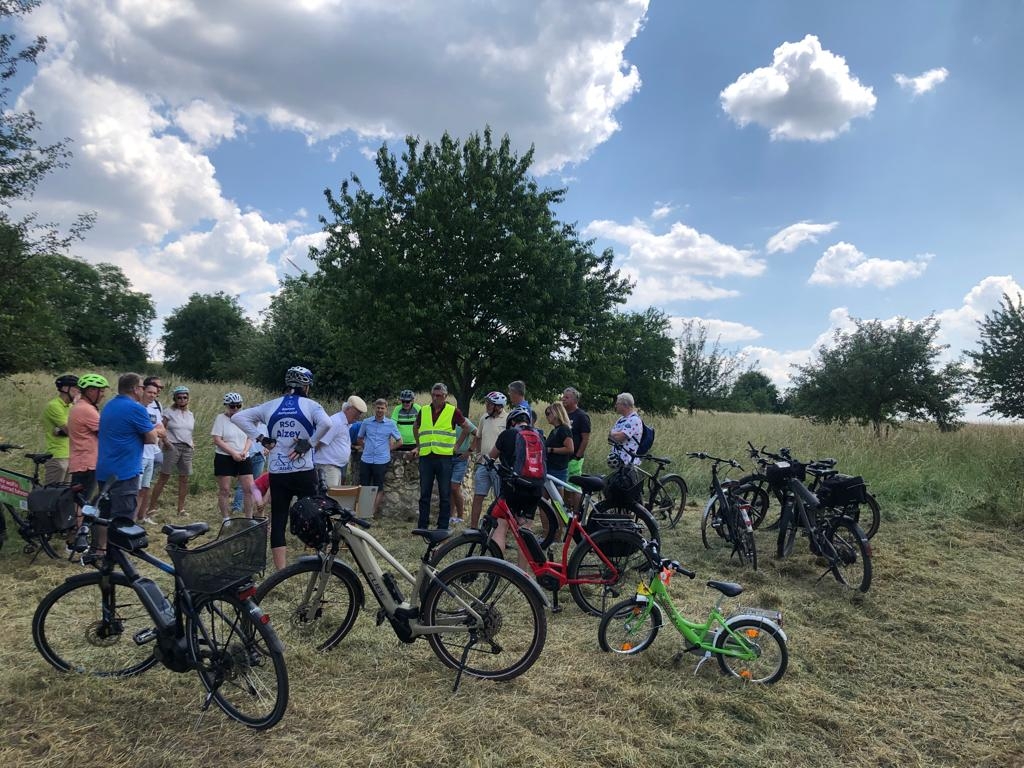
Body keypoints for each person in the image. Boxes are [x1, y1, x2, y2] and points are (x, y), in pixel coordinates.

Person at [232, 366, 333, 570]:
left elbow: (238, 418)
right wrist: (309, 443)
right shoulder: (312, 405)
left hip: (278, 471)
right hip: (304, 470)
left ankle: (281, 571)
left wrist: (261, 438)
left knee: (278, 518)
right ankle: (320, 561)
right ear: (306, 386)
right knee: (314, 515)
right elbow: (327, 424)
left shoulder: (271, 405)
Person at [95, 373, 158, 523]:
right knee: (123, 517)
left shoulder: (109, 406)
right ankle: (118, 547)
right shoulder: (136, 409)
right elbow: (152, 437)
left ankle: (101, 546)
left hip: (104, 469)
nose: (143, 390)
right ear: (135, 389)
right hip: (125, 472)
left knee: (104, 515)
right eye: (142, 387)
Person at [413, 382, 475, 530]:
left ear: (445, 396)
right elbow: (415, 427)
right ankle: (422, 526)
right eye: (433, 395)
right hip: (426, 457)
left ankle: (442, 526)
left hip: (444, 457)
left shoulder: (453, 411)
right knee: (425, 494)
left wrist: (457, 446)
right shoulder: (424, 410)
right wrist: (419, 445)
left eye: (439, 395)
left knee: (445, 494)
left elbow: (466, 427)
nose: (435, 398)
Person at [488, 408, 546, 567]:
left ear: (512, 422)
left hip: (512, 488)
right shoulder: (539, 435)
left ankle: (497, 570)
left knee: (501, 526)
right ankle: (523, 574)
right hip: (535, 488)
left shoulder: (507, 434)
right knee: (526, 530)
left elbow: (491, 456)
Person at [146, 385, 195, 520]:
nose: (182, 400)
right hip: (172, 446)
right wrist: (166, 442)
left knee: (184, 478)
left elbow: (189, 431)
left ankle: (181, 508)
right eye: (179, 397)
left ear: (188, 398)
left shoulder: (190, 414)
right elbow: (161, 428)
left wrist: (192, 443)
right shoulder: (168, 412)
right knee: (164, 476)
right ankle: (152, 507)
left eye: (185, 397)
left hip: (187, 447)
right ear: (175, 398)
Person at [212, 392, 255, 522]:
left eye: (238, 406)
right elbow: (217, 440)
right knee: (225, 489)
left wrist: (244, 451)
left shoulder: (245, 418)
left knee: (249, 489)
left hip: (243, 456)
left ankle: (249, 517)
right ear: (227, 406)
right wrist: (233, 453)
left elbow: (250, 436)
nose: (235, 408)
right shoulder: (221, 418)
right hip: (224, 456)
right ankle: (226, 518)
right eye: (232, 406)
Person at [357, 398, 402, 518]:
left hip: (381, 460)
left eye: (382, 408)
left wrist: (388, 450)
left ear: (386, 410)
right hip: (366, 459)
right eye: (378, 408)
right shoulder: (366, 422)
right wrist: (366, 447)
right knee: (364, 486)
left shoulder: (390, 424)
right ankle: (363, 512)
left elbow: (400, 441)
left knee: (378, 486)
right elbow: (359, 438)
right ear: (374, 408)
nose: (380, 410)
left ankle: (372, 512)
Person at [68, 373, 108, 503]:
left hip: (82, 462)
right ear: (91, 390)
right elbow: (106, 432)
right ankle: (78, 524)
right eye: (101, 391)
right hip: (86, 465)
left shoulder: (80, 406)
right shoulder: (86, 409)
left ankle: (77, 523)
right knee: (81, 503)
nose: (103, 394)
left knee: (79, 501)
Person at [470, 391, 506, 528]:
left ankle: (499, 530)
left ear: (498, 406)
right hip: (484, 464)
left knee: (500, 499)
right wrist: (478, 454)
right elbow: (478, 436)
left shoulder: (507, 419)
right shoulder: (484, 418)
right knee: (478, 496)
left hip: (499, 465)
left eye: (490, 403)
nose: (486, 405)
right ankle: (473, 528)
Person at [314, 396, 367, 488]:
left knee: (334, 498)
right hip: (327, 467)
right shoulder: (336, 422)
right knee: (329, 498)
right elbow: (318, 442)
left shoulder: (345, 423)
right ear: (348, 409)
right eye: (356, 413)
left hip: (334, 468)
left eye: (359, 414)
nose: (358, 416)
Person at [136, 381, 167, 523]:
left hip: (151, 453)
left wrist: (150, 431)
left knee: (145, 488)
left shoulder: (154, 410)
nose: (152, 395)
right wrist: (153, 431)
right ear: (142, 391)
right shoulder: (136, 408)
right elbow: (142, 431)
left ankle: (140, 517)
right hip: (139, 454)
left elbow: (163, 431)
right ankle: (130, 519)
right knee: (136, 489)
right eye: (150, 392)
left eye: (155, 393)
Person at [41, 374, 79, 485]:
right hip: (57, 455)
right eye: (76, 388)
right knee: (52, 494)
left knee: (65, 496)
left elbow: (80, 429)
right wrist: (69, 430)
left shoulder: (72, 407)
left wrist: (60, 431)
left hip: (70, 454)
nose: (78, 392)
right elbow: (70, 430)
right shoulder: (54, 405)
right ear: (65, 388)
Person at [561, 386, 591, 508]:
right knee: (565, 487)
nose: (563, 399)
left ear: (574, 400)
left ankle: (576, 514)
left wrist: (578, 456)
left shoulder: (582, 416)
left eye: (567, 397)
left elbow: (585, 438)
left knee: (574, 486)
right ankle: (567, 512)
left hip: (574, 458)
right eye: (563, 396)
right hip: (563, 456)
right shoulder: (563, 415)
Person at [449, 412, 477, 526]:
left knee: (455, 487)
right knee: (450, 487)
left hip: (460, 457)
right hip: (447, 457)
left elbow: (477, 434)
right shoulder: (444, 421)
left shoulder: (463, 421)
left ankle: (460, 516)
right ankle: (451, 515)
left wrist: (469, 451)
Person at [608, 392, 643, 466]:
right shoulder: (621, 419)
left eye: (617, 404)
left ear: (625, 405)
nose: (615, 406)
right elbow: (610, 438)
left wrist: (613, 434)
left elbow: (619, 437)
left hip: (628, 462)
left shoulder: (634, 420)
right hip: (618, 461)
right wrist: (614, 435)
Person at [543, 402, 575, 485]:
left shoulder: (564, 429)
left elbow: (570, 449)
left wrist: (551, 450)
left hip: (558, 469)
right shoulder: (555, 430)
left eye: (548, 413)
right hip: (551, 467)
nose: (546, 416)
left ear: (556, 413)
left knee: (557, 496)